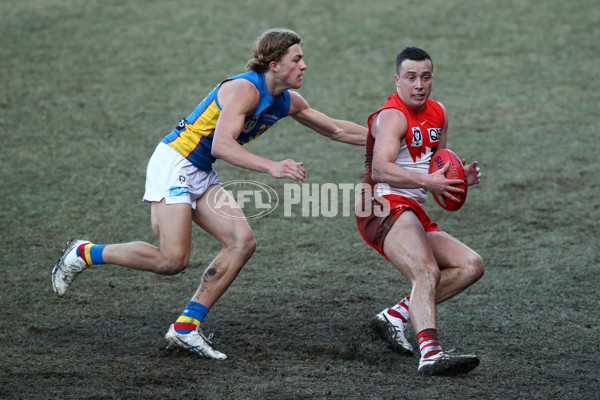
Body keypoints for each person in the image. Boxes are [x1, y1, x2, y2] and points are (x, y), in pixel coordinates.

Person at [52, 28, 367, 360]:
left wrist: (389, 136)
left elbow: (336, 129)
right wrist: (271, 166)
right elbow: (221, 144)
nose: (304, 65)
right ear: (274, 64)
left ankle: (185, 328)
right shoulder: (245, 89)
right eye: (297, 59)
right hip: (175, 163)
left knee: (242, 242)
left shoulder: (287, 102)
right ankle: (85, 253)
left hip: (199, 171)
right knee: (172, 261)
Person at [355, 47, 484, 375]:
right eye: (410, 77)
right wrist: (428, 181)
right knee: (426, 272)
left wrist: (458, 179)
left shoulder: (438, 113)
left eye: (425, 77)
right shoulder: (392, 116)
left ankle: (395, 316)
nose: (419, 84)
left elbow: (437, 166)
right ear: (397, 80)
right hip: (381, 204)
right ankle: (431, 353)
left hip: (410, 208)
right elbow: (382, 169)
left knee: (471, 265)